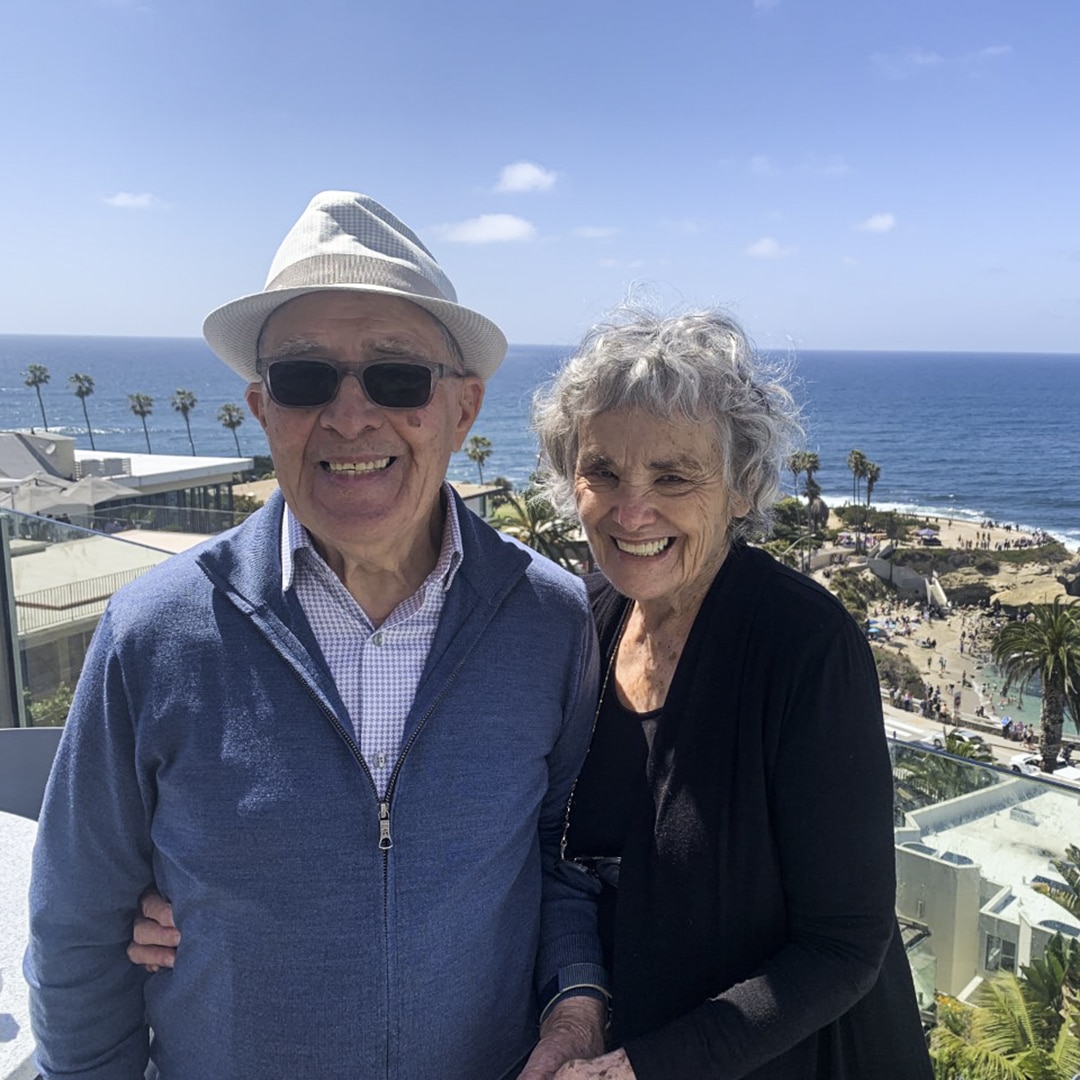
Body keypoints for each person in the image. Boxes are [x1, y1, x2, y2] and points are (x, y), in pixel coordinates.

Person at [25, 191, 608, 1079]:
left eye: (397, 377)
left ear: (463, 409)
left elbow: (564, 862)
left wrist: (577, 1005)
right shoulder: (152, 635)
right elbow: (78, 927)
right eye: (305, 379)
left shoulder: (549, 620)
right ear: (264, 408)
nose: (349, 415)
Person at [527, 308, 933, 1077]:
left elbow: (843, 946)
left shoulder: (805, 646)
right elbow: (567, 860)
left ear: (742, 488)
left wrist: (650, 1066)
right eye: (603, 472)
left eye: (673, 476)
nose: (631, 510)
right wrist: (579, 1012)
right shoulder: (584, 621)